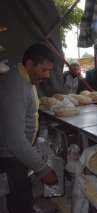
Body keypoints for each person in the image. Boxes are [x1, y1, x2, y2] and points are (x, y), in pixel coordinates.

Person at [0, 43, 58, 213]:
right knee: (19, 202)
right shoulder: (15, 86)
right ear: (30, 64)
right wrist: (43, 169)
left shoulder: (25, 78)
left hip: (17, 155)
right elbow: (15, 140)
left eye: (49, 71)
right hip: (11, 158)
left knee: (22, 198)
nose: (47, 75)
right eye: (44, 70)